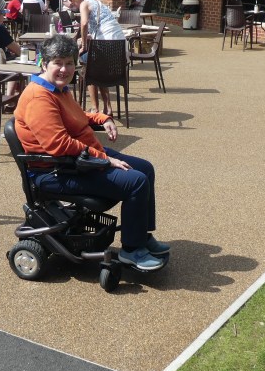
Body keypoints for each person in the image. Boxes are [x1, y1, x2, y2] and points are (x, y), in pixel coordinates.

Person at [14, 33, 169, 272]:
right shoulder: (38, 97)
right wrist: (106, 160)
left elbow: (77, 117)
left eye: (69, 63)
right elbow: (58, 144)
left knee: (145, 168)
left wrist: (102, 118)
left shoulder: (59, 90)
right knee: (136, 182)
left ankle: (141, 235)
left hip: (79, 160)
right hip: (56, 170)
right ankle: (132, 250)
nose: (64, 69)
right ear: (44, 64)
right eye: (58, 62)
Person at [64, 0, 125, 115]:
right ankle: (107, 107)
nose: (70, 3)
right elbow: (99, 26)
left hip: (107, 46)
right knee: (96, 67)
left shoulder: (84, 4)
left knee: (88, 69)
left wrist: (84, 45)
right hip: (119, 48)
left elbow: (84, 23)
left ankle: (94, 108)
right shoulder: (98, 3)